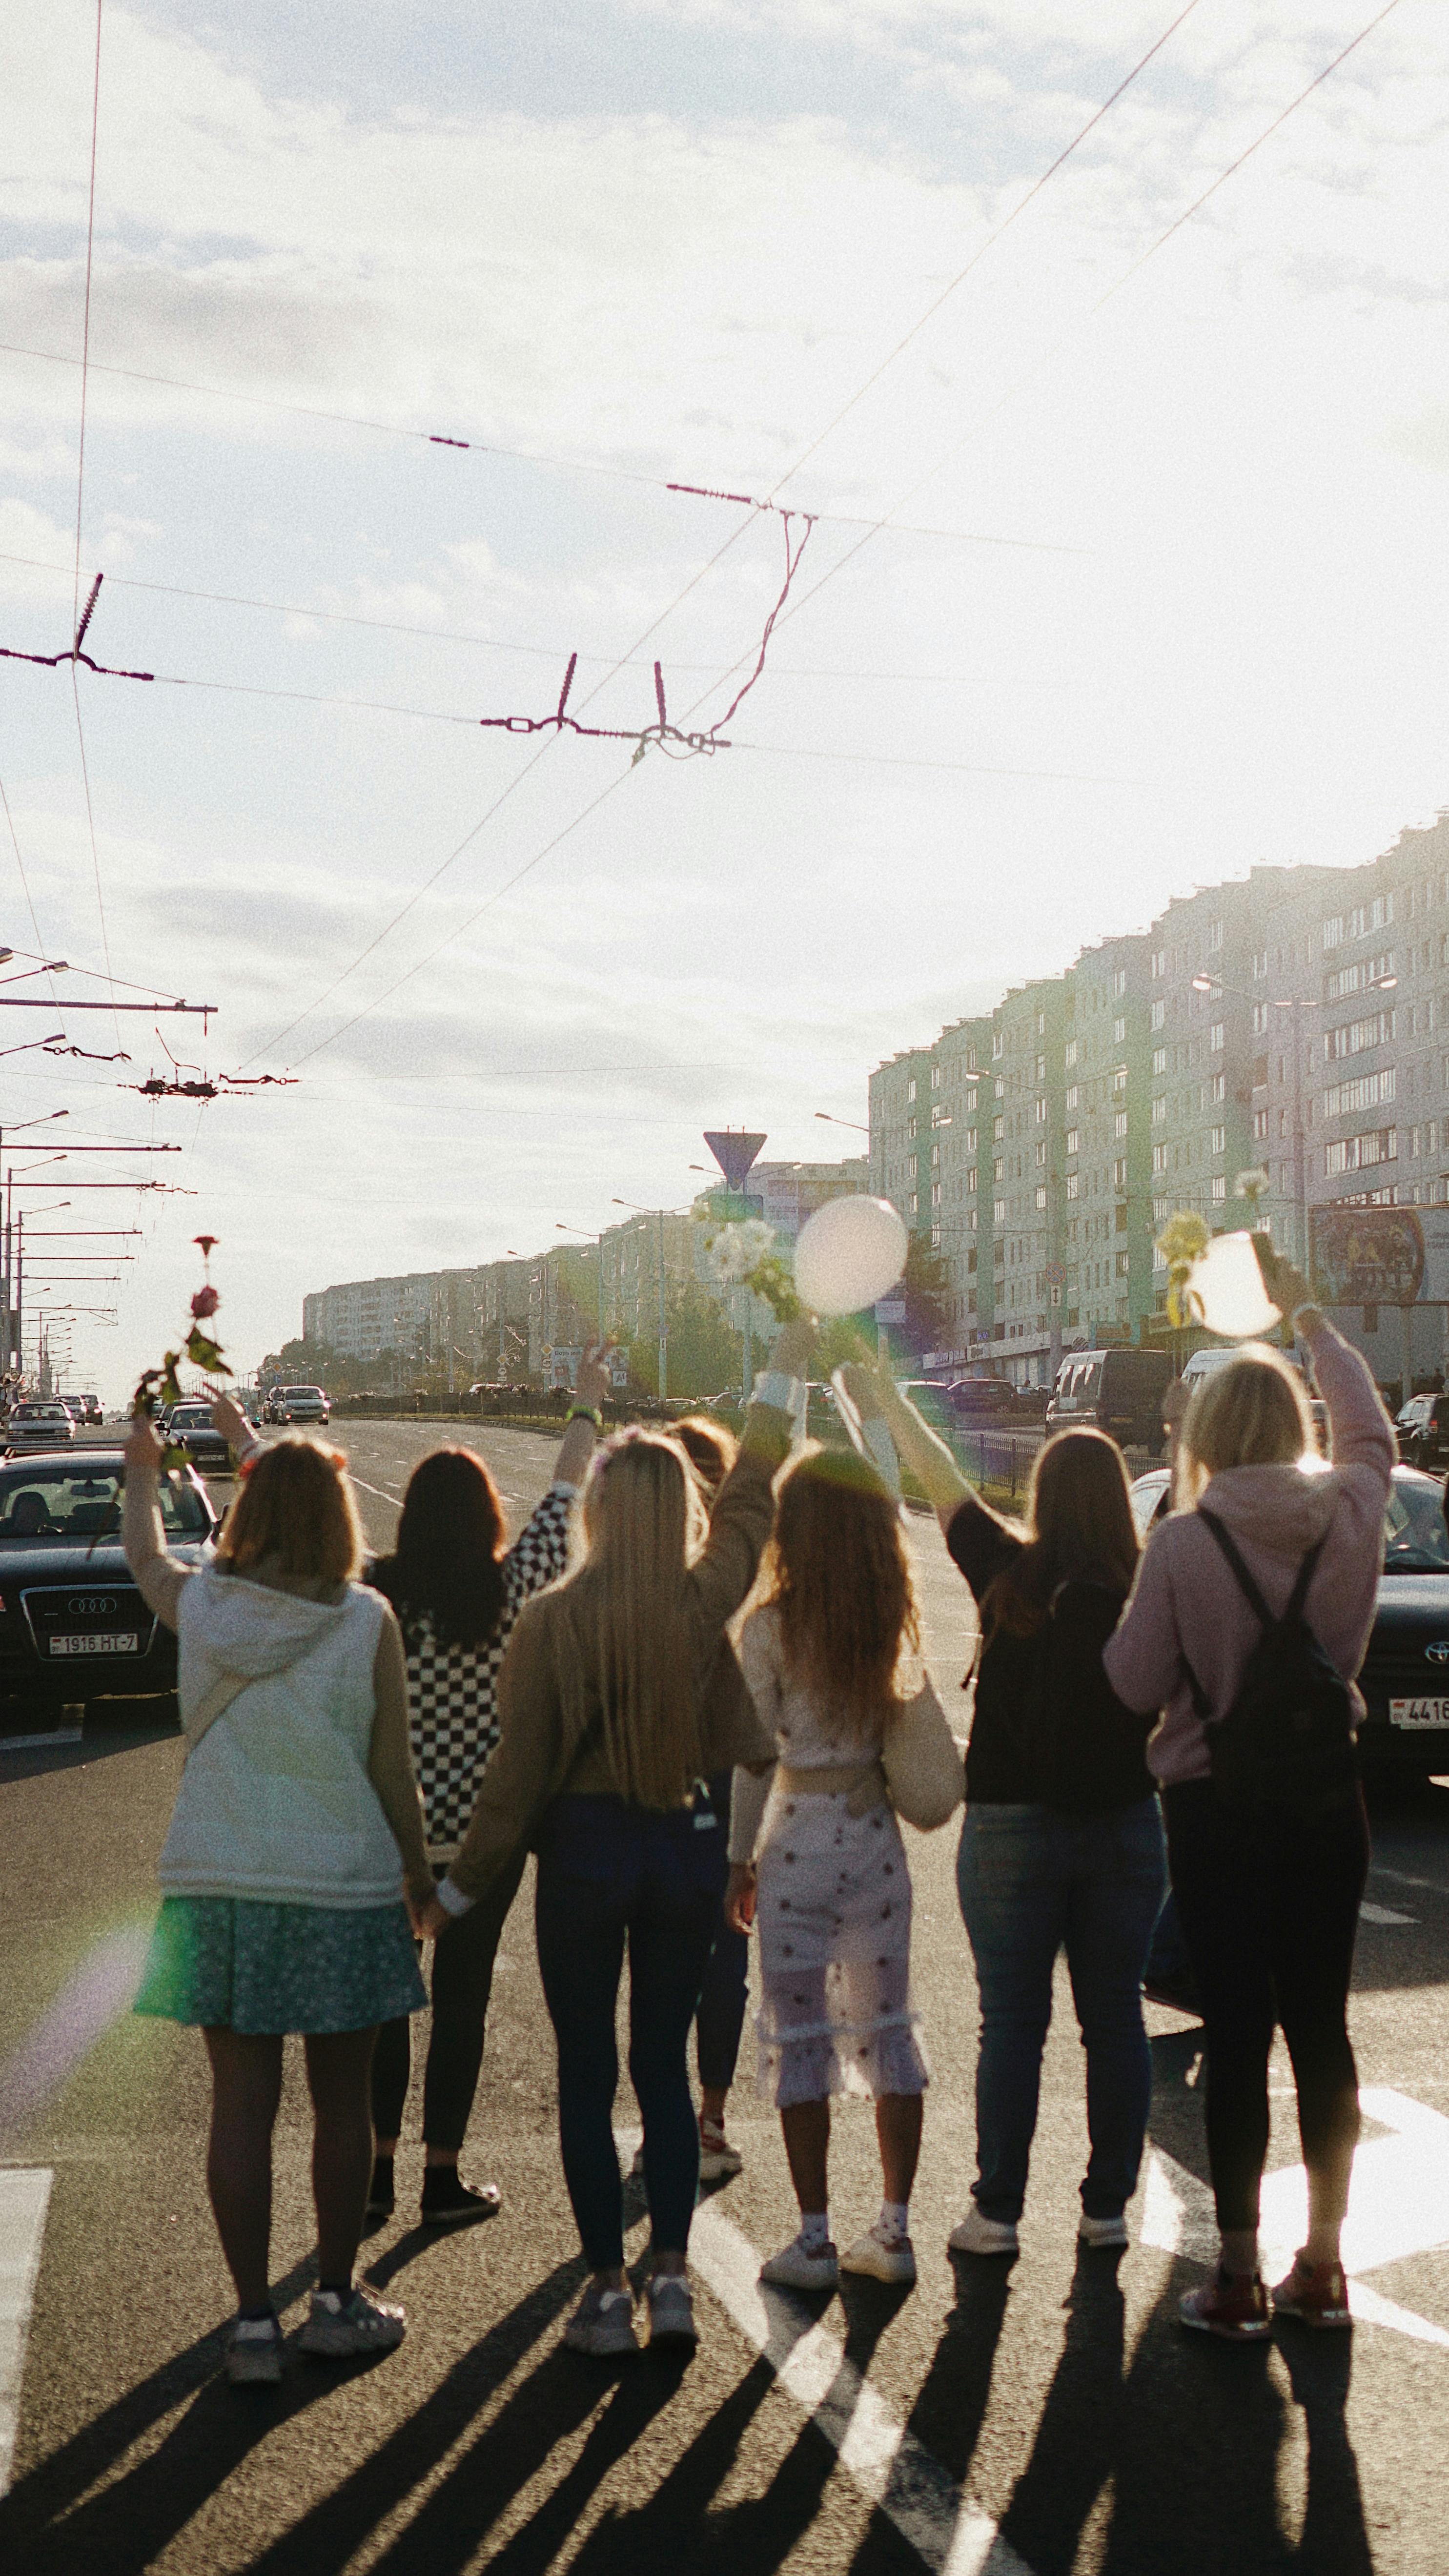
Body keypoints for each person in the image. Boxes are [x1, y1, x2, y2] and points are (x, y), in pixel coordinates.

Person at [418, 1319, 816, 2355]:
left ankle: (604, 2286)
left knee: (586, 2072)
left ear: (596, 1507)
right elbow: (753, 1490)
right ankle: (674, 2274)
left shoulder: (551, 1620)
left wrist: (456, 1892)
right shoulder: (700, 1598)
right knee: (665, 2071)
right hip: (683, 1845)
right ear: (680, 1508)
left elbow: (513, 1780)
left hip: (585, 1855)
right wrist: (785, 1366)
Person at [1104, 1260, 1393, 2337]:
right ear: (1299, 1420)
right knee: (1323, 2026)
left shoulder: (1183, 1539)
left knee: (1236, 2031)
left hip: (1217, 1815)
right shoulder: (1356, 1510)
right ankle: (1323, 2262)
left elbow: (1134, 1683)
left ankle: (1235, 2275)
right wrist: (1312, 1315)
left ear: (1210, 1434)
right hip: (1331, 1804)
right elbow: (1368, 1429)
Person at [126, 1395, 434, 2386]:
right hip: (340, 1885)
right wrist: (419, 1874)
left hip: (218, 1882)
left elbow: (144, 1557)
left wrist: (142, 1472)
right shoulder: (365, 1619)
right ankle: (336, 2301)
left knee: (241, 2104)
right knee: (341, 2102)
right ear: (340, 1518)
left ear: (245, 1515)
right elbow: (395, 1769)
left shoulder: (205, 1605)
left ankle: (253, 2322)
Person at [864, 1357, 1164, 2260]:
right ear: (1117, 1502)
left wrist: (882, 1397)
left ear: (1041, 1493)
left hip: (1008, 1829)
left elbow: (940, 1483)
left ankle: (996, 2212)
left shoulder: (1005, 1571)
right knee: (1114, 2016)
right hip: (1120, 1825)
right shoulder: (1144, 1589)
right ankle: (1107, 2208)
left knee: (1013, 2024)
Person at [367, 1352, 610, 2226]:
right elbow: (565, 1491)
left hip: (391, 1833)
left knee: (389, 2006)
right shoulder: (510, 1587)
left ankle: (373, 2174)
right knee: (462, 2001)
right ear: (482, 1516)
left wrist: (248, 1445)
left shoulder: (375, 1594)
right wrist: (585, 1397)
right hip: (486, 1837)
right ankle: (441, 2177)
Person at [726, 1439, 951, 2291]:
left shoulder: (771, 1624)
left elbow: (753, 1756)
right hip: (874, 1842)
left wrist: (736, 1861)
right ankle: (894, 2228)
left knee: (802, 2039)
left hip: (796, 1844)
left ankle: (812, 2238)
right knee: (888, 2027)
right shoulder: (887, 1614)